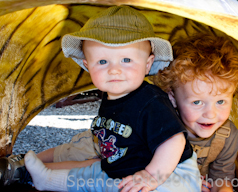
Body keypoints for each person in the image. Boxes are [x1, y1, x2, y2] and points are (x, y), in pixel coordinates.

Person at [17, 5, 201, 192]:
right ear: (88, 66)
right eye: (103, 62)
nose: (114, 69)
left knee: (115, 185)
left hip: (171, 173)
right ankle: (45, 178)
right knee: (93, 173)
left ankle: (46, 177)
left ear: (148, 64)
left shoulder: (151, 100)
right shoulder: (111, 98)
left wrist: (151, 176)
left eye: (126, 60)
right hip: (128, 167)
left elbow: (174, 141)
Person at [153, 33, 238, 192]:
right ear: (173, 98)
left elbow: (222, 180)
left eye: (221, 102)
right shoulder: (159, 128)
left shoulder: (227, 136)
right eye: (197, 102)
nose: (210, 114)